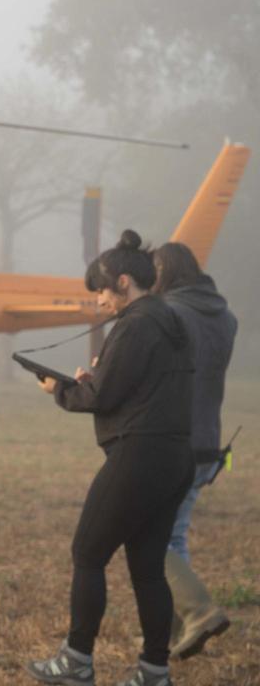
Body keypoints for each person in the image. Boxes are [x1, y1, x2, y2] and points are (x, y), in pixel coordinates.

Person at [28, 231, 195, 686]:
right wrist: (96, 378)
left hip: (139, 454)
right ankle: (154, 672)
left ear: (123, 282)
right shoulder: (172, 321)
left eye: (101, 290)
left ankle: (76, 661)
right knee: (146, 567)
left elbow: (101, 396)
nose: (100, 301)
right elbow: (138, 389)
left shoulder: (136, 324)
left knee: (87, 551)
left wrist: (61, 388)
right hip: (176, 457)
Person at [153, 241, 236, 659]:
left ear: (164, 271)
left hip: (173, 441)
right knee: (174, 536)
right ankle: (170, 635)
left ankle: (199, 611)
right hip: (209, 443)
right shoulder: (226, 316)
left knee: (149, 537)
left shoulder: (170, 315)